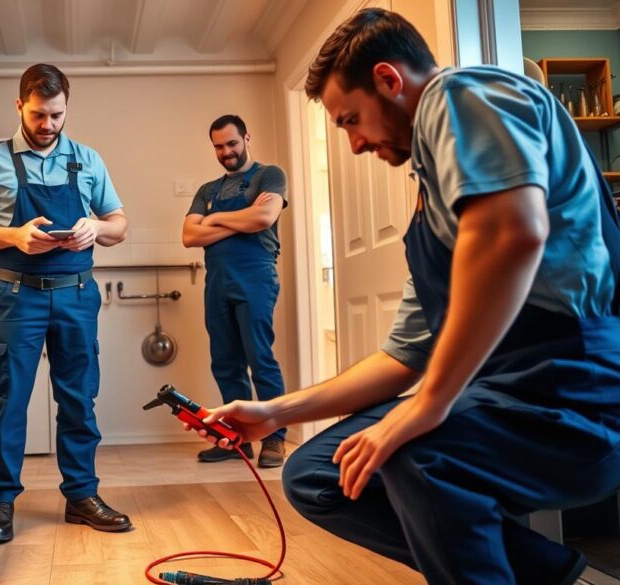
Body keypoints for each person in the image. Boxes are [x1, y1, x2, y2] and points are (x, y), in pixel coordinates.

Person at [191, 9, 620, 585]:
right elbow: (402, 358)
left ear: (390, 81)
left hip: (575, 392)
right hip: (498, 393)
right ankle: (555, 576)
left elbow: (513, 235)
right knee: (317, 472)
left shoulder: (463, 94)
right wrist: (273, 413)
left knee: (416, 455)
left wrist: (428, 405)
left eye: (350, 120)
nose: (353, 144)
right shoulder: (436, 212)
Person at [0, 63, 130, 544]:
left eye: (55, 115)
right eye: (38, 115)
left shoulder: (88, 159)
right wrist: (12, 235)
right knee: (9, 400)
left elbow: (119, 223)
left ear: (66, 108)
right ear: (19, 106)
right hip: (17, 293)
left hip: (76, 294)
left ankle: (82, 496)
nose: (47, 125)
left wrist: (98, 228)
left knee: (78, 397)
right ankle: (1, 502)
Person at [182, 114, 288, 468]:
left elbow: (263, 219)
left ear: (246, 138)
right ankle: (236, 439)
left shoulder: (269, 175)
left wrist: (211, 219)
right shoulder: (206, 190)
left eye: (232, 143)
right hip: (217, 280)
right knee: (225, 362)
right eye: (219, 146)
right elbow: (189, 236)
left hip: (255, 275)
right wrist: (239, 218)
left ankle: (274, 438)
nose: (226, 151)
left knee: (259, 357)